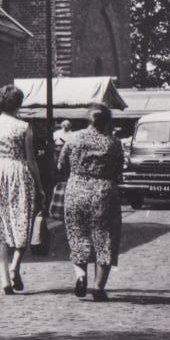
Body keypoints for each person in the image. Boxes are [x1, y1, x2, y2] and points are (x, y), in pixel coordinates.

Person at [0, 84, 44, 294]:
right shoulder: (24, 127)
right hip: (19, 173)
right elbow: (31, 160)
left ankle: (4, 280)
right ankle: (15, 265)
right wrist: (39, 186)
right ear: (18, 104)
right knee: (22, 221)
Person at [58, 102, 123, 301]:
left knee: (77, 234)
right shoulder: (113, 142)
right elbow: (119, 170)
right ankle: (98, 288)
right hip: (103, 192)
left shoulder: (74, 138)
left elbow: (61, 164)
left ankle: (80, 275)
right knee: (105, 238)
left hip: (76, 190)